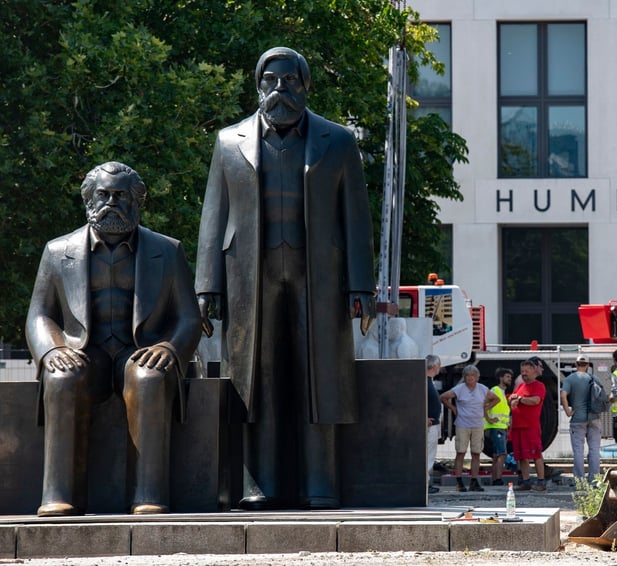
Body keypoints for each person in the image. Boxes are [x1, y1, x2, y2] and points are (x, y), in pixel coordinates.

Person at [195, 47, 376, 510]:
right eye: (271, 81)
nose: (280, 89)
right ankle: (259, 484)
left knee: (320, 378)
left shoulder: (338, 141)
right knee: (257, 379)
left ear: (305, 86)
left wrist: (361, 285)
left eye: (290, 81)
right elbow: (214, 215)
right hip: (248, 277)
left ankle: (321, 483)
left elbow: (356, 217)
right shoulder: (228, 141)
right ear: (259, 87)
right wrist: (206, 286)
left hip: (319, 275)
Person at [26, 162, 202, 516]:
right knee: (62, 378)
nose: (111, 203)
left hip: (138, 350)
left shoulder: (168, 251)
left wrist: (169, 347)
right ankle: (59, 494)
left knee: (149, 377)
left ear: (138, 201)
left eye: (121, 195)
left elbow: (188, 316)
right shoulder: (57, 251)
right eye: (103, 195)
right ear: (88, 200)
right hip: (84, 352)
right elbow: (39, 314)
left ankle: (148, 494)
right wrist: (52, 349)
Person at [440, 364, 498, 492]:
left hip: (477, 425)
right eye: (467, 375)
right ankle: (459, 481)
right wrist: (453, 409)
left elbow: (496, 399)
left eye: (472, 375)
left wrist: (485, 409)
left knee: (476, 453)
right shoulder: (460, 388)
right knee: (461, 452)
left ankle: (474, 481)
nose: (470, 378)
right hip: (463, 424)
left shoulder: (482, 389)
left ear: (477, 377)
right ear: (464, 377)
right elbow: (443, 397)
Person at [560, 355, 602, 483]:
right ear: (588, 365)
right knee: (594, 449)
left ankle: (579, 480)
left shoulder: (570, 379)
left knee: (578, 450)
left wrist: (568, 411)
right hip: (594, 417)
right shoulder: (595, 379)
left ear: (576, 364)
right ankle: (595, 479)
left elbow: (563, 395)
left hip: (578, 419)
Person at [509, 357, 548, 492]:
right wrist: (512, 399)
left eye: (526, 371)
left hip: (530, 426)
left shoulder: (539, 386)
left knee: (536, 454)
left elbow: (535, 400)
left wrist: (520, 399)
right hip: (517, 426)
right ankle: (526, 482)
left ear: (534, 371)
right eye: (522, 371)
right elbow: (512, 398)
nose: (524, 374)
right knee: (521, 456)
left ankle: (541, 481)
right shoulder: (520, 386)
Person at [483, 367, 513, 485]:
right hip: (496, 427)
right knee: (502, 454)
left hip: (500, 427)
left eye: (510, 377)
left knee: (496, 454)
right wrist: (488, 419)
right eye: (507, 377)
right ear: (501, 378)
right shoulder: (495, 390)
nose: (510, 379)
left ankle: (495, 478)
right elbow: (484, 405)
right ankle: (498, 479)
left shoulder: (502, 393)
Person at [425, 355, 443, 494]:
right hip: (428, 426)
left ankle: (426, 483)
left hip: (432, 424)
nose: (440, 368)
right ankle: (425, 485)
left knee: (429, 455)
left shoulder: (428, 381)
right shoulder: (425, 382)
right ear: (434, 366)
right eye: (439, 365)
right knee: (428, 456)